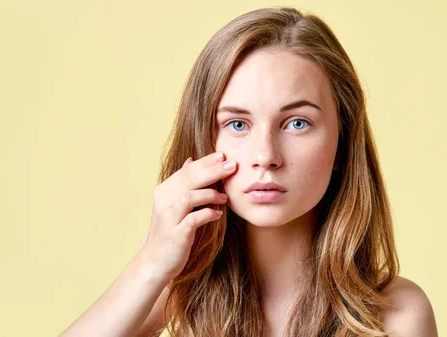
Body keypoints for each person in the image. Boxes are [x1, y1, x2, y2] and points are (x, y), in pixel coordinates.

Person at [59, 6, 438, 337]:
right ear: (205, 141)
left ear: (343, 141)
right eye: (237, 124)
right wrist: (150, 262)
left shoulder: (397, 316)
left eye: (297, 123)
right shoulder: (176, 295)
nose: (265, 156)